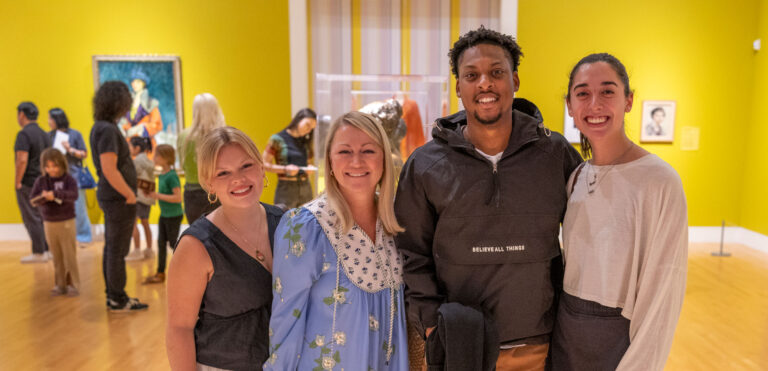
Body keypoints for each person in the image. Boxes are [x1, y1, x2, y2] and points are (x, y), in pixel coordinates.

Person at [393, 26, 582, 370]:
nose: (485, 83)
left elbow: (587, 236)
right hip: (459, 345)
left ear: (515, 80)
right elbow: (409, 252)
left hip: (537, 345)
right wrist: (433, 323)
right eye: (472, 75)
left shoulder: (556, 154)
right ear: (459, 87)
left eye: (497, 72)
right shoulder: (424, 165)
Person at [550, 53, 688, 371]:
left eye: (608, 91)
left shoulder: (659, 181)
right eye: (583, 93)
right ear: (570, 107)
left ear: (628, 101)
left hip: (618, 345)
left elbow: (663, 290)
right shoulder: (576, 177)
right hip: (566, 339)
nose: (595, 104)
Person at [265, 111, 408, 370]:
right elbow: (286, 322)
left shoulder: (397, 223)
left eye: (368, 151)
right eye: (344, 152)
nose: (356, 161)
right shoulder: (305, 227)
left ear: (384, 159)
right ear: (329, 161)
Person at [166, 127, 284, 370]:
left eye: (246, 166)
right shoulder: (196, 246)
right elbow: (179, 329)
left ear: (261, 167)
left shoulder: (285, 223)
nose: (238, 179)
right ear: (209, 184)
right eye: (223, 173)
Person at [90, 80, 148, 312]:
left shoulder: (103, 127)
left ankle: (114, 296)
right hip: (118, 198)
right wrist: (129, 195)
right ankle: (117, 298)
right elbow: (109, 168)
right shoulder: (107, 129)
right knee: (117, 249)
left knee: (113, 247)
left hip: (114, 197)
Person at [30, 148, 80, 296]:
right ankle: (60, 284)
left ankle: (74, 284)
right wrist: (44, 197)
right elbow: (33, 199)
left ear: (62, 165)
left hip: (66, 221)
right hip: (49, 221)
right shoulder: (41, 181)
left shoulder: (68, 180)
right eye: (48, 166)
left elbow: (73, 195)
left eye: (55, 166)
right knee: (56, 255)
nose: (51, 169)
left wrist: (57, 195)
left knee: (69, 254)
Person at [177, 93, 226, 224]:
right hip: (218, 192)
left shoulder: (184, 136)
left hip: (192, 193)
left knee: (196, 237)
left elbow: (183, 166)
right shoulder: (223, 136)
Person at [47, 108, 92, 246]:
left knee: (79, 208)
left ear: (57, 120)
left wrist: (70, 150)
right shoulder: (49, 136)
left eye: (50, 119)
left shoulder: (75, 134)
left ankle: (83, 237)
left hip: (74, 176)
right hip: (56, 177)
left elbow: (84, 154)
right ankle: (64, 237)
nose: (48, 122)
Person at [15, 101, 52, 263]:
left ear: (22, 114)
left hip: (28, 181)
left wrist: (17, 181)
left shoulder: (24, 134)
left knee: (31, 217)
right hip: (43, 180)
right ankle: (48, 249)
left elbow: (22, 159)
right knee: (43, 216)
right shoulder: (44, 134)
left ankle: (39, 252)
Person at [262, 108, 317, 210]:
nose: (308, 130)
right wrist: (285, 169)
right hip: (286, 189)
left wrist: (309, 168)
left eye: (312, 128)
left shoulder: (306, 142)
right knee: (285, 222)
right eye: (307, 125)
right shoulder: (277, 139)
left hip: (306, 187)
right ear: (298, 120)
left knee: (307, 222)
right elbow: (264, 164)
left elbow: (309, 162)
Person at [143, 144, 182, 284]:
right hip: (164, 215)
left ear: (165, 158)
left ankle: (185, 269)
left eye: (157, 155)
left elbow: (178, 198)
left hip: (173, 215)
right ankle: (160, 273)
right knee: (160, 244)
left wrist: (158, 195)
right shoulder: (162, 175)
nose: (154, 158)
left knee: (173, 244)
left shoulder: (172, 176)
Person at [126, 136, 154, 261]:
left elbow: (131, 177)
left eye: (130, 146)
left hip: (138, 197)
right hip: (148, 197)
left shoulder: (136, 161)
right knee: (145, 222)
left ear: (137, 148)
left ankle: (137, 250)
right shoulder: (149, 161)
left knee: (133, 223)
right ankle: (149, 249)